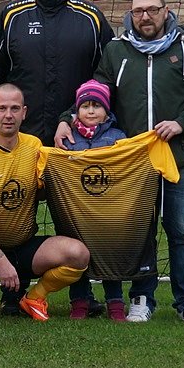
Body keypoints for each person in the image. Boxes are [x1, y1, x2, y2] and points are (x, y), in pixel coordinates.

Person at [57, 0, 184, 323]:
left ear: (166, 11)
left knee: (181, 230)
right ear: (130, 15)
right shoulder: (117, 51)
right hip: (132, 165)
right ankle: (142, 298)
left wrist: (181, 122)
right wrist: (66, 118)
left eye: (152, 10)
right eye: (138, 11)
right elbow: (96, 95)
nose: (145, 17)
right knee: (138, 233)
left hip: (179, 159)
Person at [0, 0, 112, 316]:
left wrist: (75, 117)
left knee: (77, 217)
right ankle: (12, 293)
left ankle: (82, 296)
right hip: (19, 143)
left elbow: (104, 79)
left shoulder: (91, 18)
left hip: (75, 144)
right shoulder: (11, 17)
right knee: (11, 215)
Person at [0, 83, 90, 322]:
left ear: (24, 113)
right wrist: (0, 260)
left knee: (78, 254)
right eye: (2, 108)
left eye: (15, 108)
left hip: (25, 246)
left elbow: (45, 190)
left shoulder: (35, 147)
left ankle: (34, 298)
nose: (8, 115)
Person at [57, 79, 129, 320]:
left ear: (106, 110)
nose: (90, 111)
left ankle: (115, 303)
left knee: (109, 254)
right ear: (76, 110)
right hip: (77, 211)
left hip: (108, 211)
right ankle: (80, 302)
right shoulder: (68, 139)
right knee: (77, 256)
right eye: (85, 106)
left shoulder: (118, 138)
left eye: (96, 106)